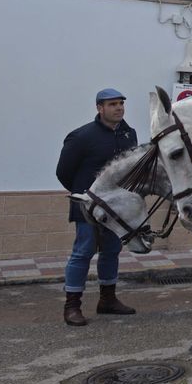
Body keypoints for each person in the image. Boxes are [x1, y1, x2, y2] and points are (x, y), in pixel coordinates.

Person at [55, 88, 139, 326]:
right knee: (83, 252)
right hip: (87, 207)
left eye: (121, 103)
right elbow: (64, 172)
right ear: (99, 108)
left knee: (111, 251)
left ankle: (108, 300)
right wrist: (84, 194)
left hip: (115, 208)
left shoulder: (128, 135)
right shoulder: (81, 136)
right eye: (112, 104)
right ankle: (72, 305)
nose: (119, 108)